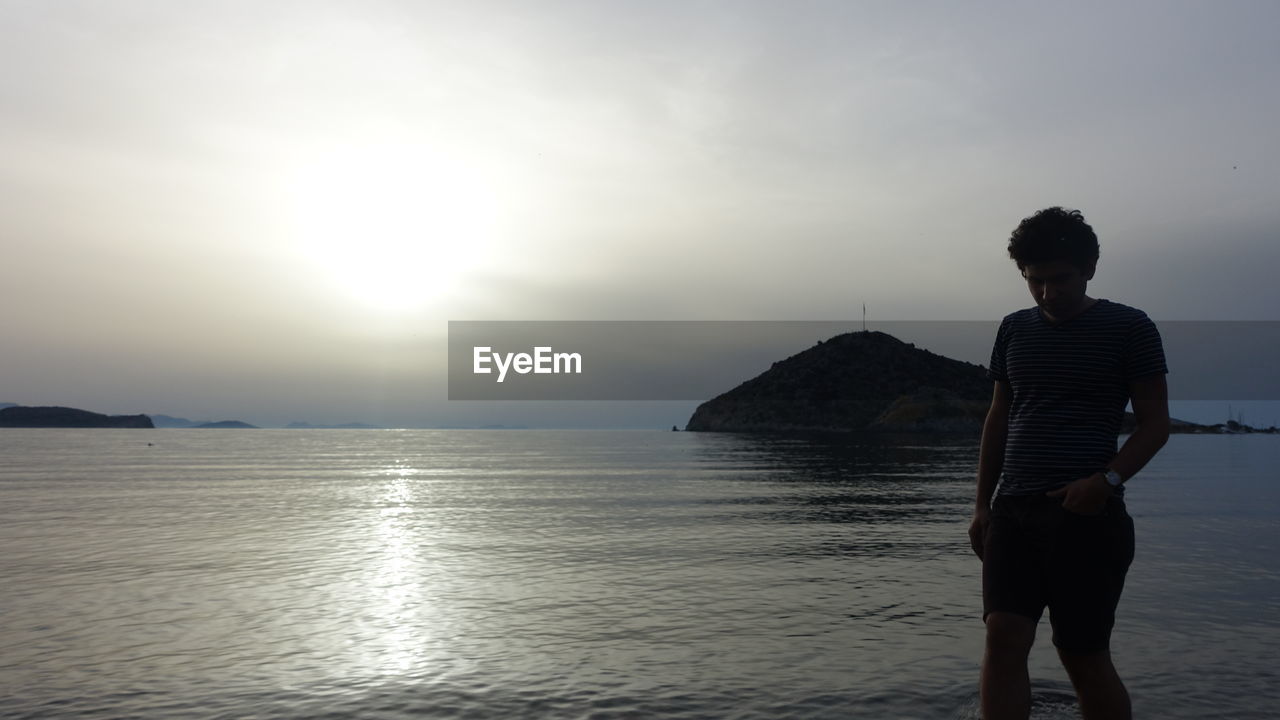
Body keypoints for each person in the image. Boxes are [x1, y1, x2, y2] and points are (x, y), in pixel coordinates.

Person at [968, 207, 1170, 720]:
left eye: (1059, 279)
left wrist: (1105, 482)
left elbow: (1155, 424)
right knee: (1004, 637)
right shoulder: (1014, 329)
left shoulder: (1130, 328)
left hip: (1087, 517)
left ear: (1090, 268)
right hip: (1013, 511)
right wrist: (981, 505)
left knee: (1081, 654)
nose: (1047, 293)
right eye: (1034, 281)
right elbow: (1000, 416)